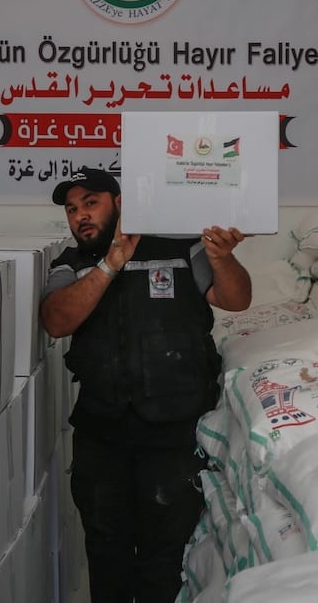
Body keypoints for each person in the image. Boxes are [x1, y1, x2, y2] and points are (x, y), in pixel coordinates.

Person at [40, 167, 252, 603]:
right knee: (106, 553)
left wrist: (223, 257)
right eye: (72, 209)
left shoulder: (179, 246)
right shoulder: (70, 264)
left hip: (173, 434)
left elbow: (236, 299)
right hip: (102, 434)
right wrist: (109, 265)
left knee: (164, 559)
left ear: (120, 203)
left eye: (91, 203)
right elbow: (57, 321)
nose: (80, 216)